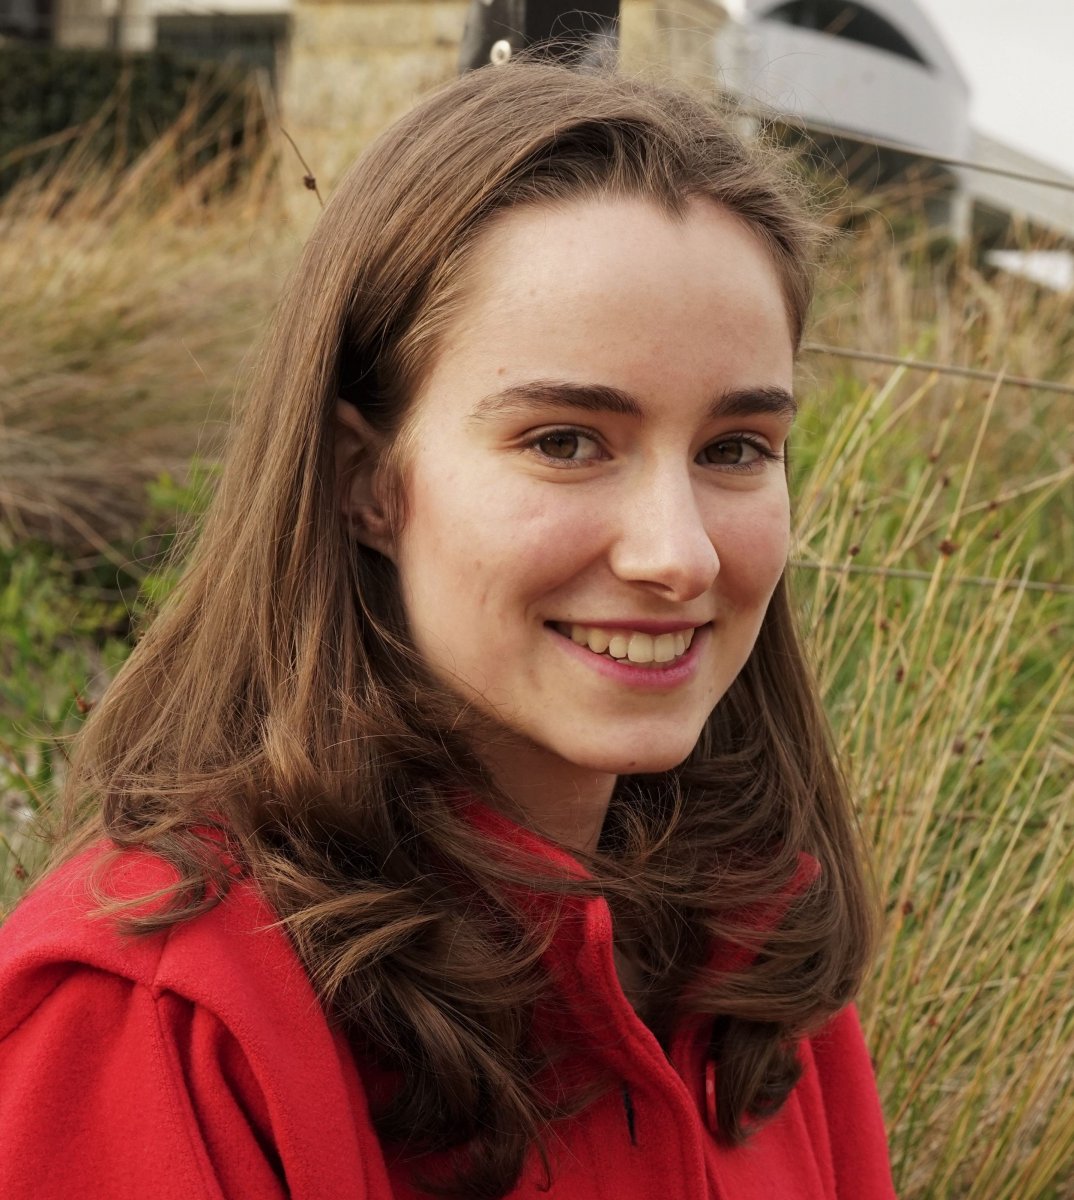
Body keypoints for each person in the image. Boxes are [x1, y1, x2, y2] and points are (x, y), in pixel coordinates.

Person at [0, 61, 896, 1199]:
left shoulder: (762, 973)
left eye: (735, 449)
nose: (679, 555)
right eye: (566, 440)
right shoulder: (163, 1019)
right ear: (366, 479)